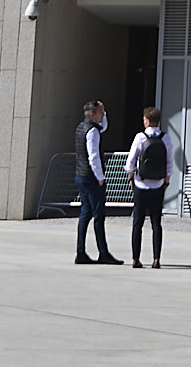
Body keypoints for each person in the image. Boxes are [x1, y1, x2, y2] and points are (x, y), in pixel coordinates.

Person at [126, 104, 184, 268]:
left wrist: (131, 177)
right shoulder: (165, 138)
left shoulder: (140, 137)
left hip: (141, 184)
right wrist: (166, 182)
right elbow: (169, 164)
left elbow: (130, 162)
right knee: (156, 223)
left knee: (137, 224)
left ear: (147, 120)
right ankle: (156, 259)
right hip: (158, 185)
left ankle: (136, 259)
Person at [72, 99, 115, 265]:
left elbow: (104, 126)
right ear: (92, 114)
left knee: (85, 213)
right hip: (91, 177)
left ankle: (80, 251)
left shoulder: (81, 127)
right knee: (98, 215)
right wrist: (100, 177)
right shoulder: (93, 131)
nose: (102, 115)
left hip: (80, 175)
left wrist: (104, 111)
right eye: (100, 113)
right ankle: (103, 252)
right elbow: (94, 156)